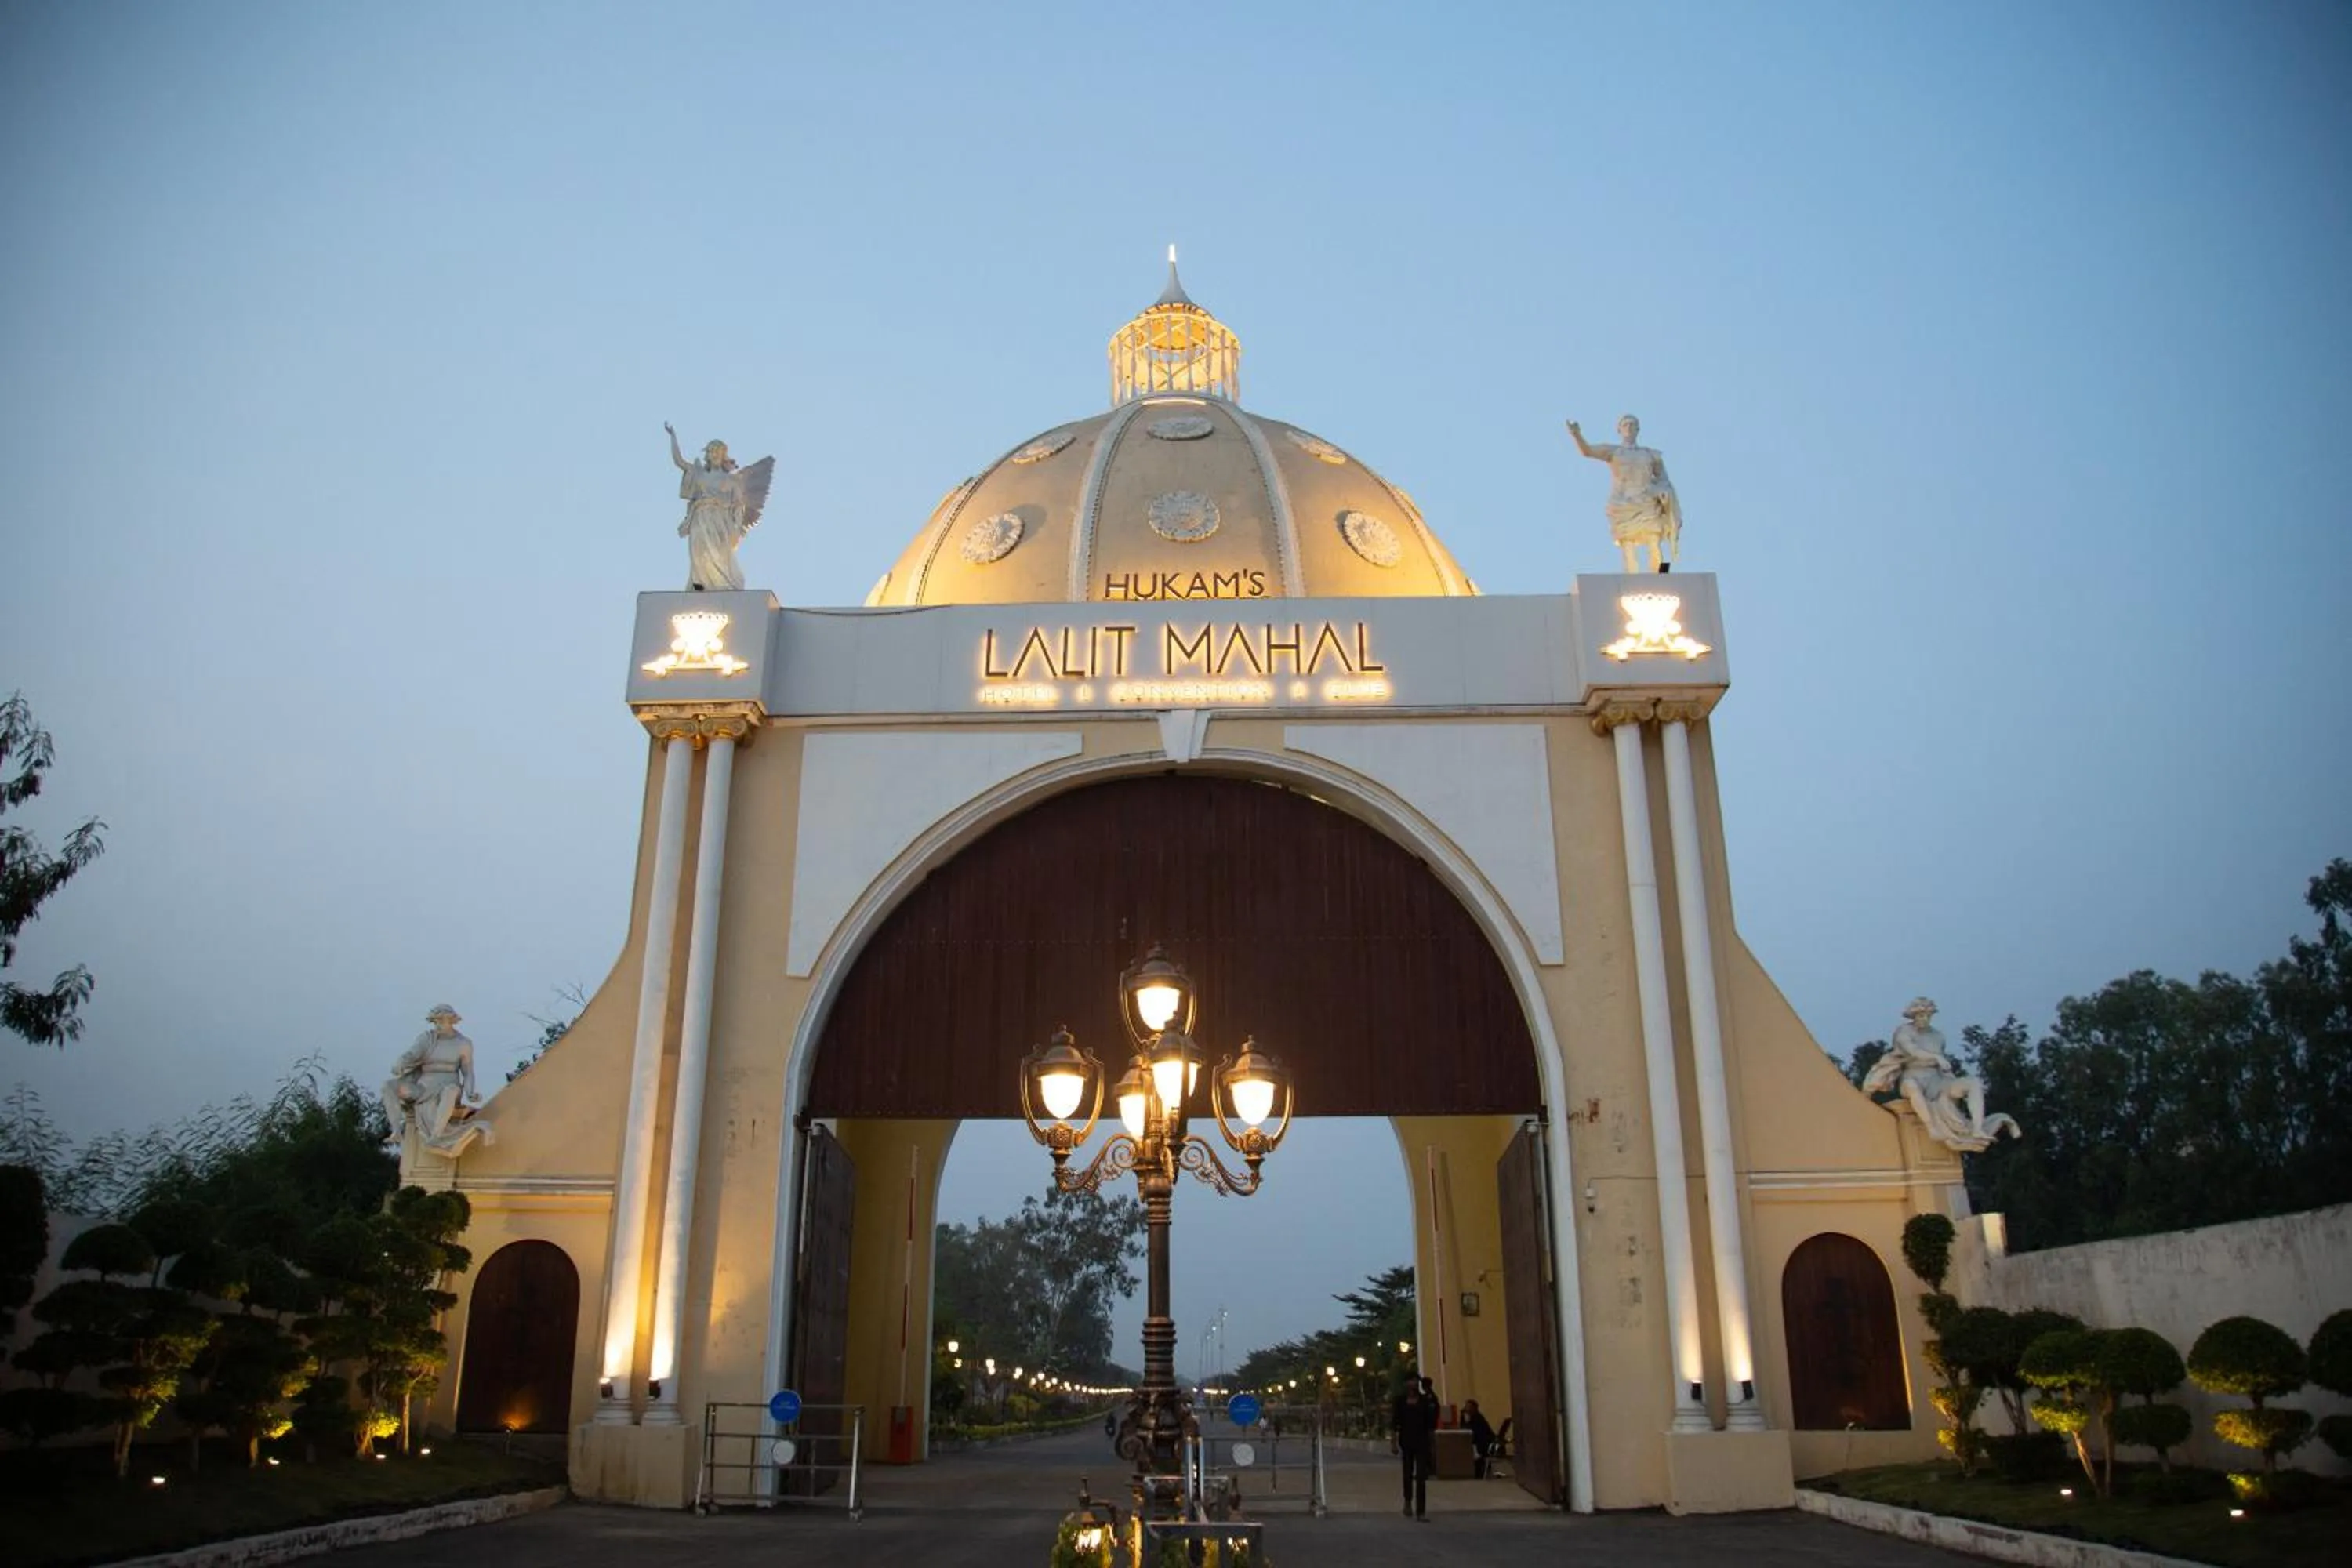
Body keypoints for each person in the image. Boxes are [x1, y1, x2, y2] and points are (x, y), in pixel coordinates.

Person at [1862, 997, 2021, 1152]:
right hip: (1913, 1077)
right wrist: (1936, 1057)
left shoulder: (1938, 1036)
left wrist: (1945, 1071)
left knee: (1973, 1083)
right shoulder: (1904, 1032)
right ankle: (1931, 1128)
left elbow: (1941, 1065)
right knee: (1911, 1088)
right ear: (1913, 1016)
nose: (1924, 1019)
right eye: (1920, 1016)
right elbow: (1914, 1052)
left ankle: (1978, 1129)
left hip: (1937, 1080)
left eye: (1927, 1016)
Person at [1566, 413, 1684, 572]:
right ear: (1619, 430)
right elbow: (1587, 451)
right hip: (1622, 504)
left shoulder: (1650, 454)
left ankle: (1661, 576)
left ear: (1638, 429)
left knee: (1654, 542)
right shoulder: (1613, 452)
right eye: (1625, 425)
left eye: (1632, 424)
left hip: (1647, 502)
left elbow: (1663, 479)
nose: (1629, 427)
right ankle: (1631, 577)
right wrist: (1577, 435)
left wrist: (1662, 491)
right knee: (1627, 544)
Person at [667, 422, 775, 592]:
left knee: (719, 552)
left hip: (719, 521)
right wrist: (673, 437)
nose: (714, 454)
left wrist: (736, 526)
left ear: (723, 455)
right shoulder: (700, 474)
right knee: (699, 551)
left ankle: (722, 584)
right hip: (700, 517)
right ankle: (699, 585)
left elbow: (739, 506)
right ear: (707, 456)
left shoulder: (732, 481)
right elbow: (679, 461)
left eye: (718, 451)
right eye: (711, 451)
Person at [383, 1004, 492, 1158]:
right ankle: (396, 1130)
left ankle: (436, 1136)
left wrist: (470, 1092)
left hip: (448, 1087)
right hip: (423, 1087)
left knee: (451, 1091)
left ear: (451, 1021)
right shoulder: (427, 1039)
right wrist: (400, 1063)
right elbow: (411, 1055)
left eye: (441, 1021)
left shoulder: (463, 1044)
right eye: (436, 1022)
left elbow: (467, 1072)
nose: (438, 1025)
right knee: (389, 1086)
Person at [1392, 1374, 1437, 1520]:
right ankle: (1407, 1502)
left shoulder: (1425, 1401)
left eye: (1416, 1380)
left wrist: (1433, 1446)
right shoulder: (1400, 1401)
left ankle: (1421, 1511)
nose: (1413, 1383)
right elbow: (1395, 1424)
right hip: (1406, 1442)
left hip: (1422, 1442)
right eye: (1410, 1380)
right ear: (1406, 1383)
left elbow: (1431, 1425)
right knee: (1407, 1474)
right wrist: (1393, 1442)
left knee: (1421, 1477)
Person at [1462, 1398, 1497, 1479]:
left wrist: (1468, 1423)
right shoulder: (1465, 1416)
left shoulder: (1478, 1419)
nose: (1467, 1410)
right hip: (1477, 1442)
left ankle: (1478, 1470)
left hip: (1483, 1443)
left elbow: (1477, 1434)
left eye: (1470, 1408)